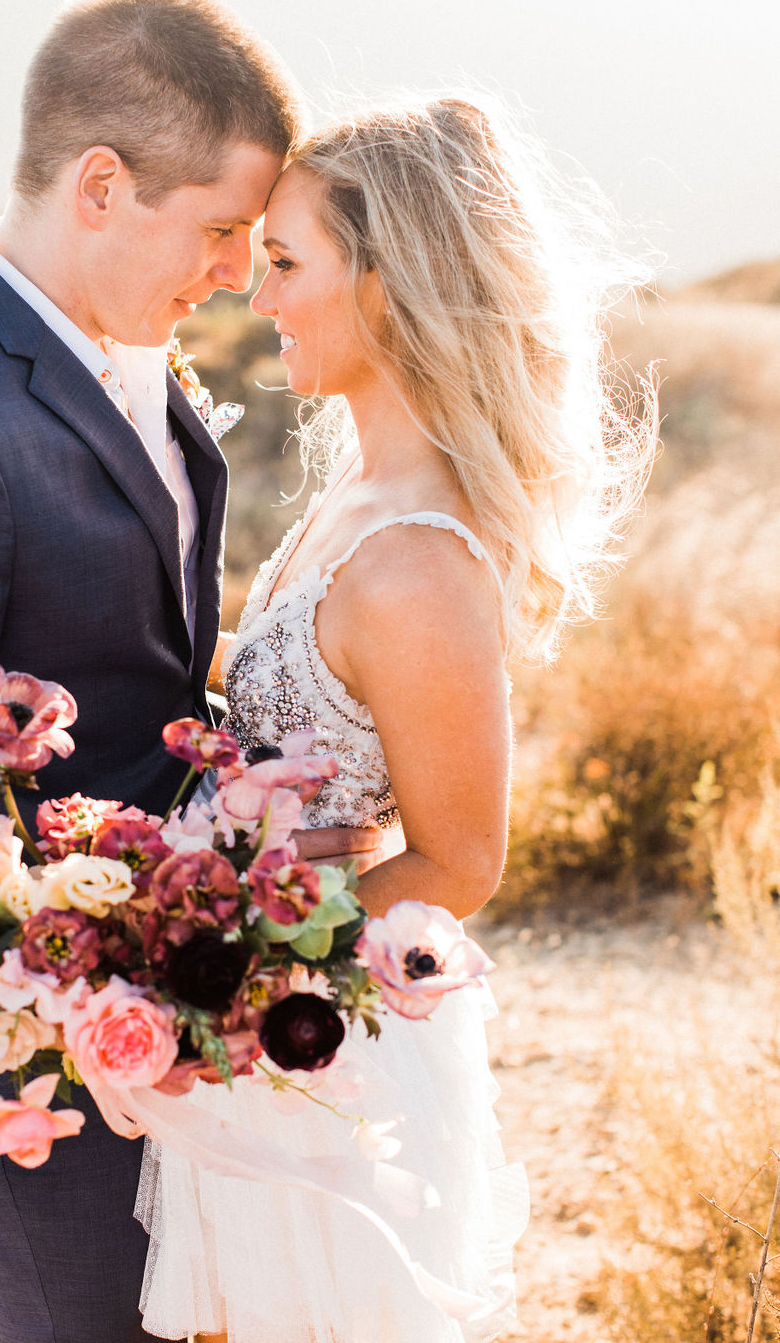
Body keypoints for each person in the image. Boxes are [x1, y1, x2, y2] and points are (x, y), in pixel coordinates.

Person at [0, 3, 324, 1340]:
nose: (236, 273)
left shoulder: (118, 350)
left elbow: (140, 673)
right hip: (13, 1033)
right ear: (101, 185)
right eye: (219, 228)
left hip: (135, 1000)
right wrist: (89, 1020)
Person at [137, 97, 656, 1343]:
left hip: (329, 1030)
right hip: (267, 1004)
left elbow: (460, 858)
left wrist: (246, 972)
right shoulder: (354, 494)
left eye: (286, 261)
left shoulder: (419, 558)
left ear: (386, 283)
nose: (257, 293)